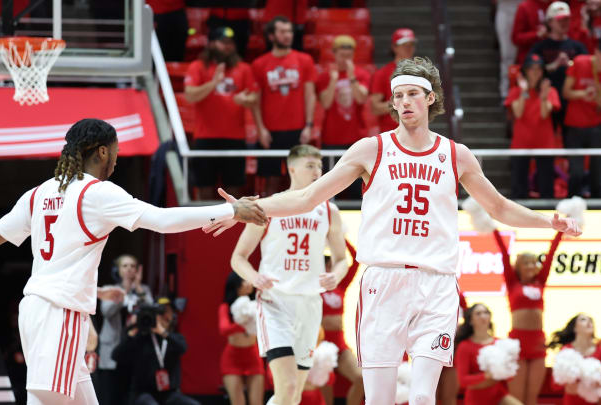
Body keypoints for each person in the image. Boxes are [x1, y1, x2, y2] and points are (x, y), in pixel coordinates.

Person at [205, 56, 581, 405]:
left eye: (412, 94)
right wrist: (247, 208)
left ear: (430, 98)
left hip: (436, 283)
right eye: (398, 96)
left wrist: (549, 221)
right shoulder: (371, 149)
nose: (404, 102)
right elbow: (306, 197)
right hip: (383, 282)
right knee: (380, 400)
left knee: (421, 397)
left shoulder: (456, 154)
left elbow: (499, 207)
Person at [0, 118, 267, 405]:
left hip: (37, 307)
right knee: (46, 400)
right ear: (103, 151)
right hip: (59, 309)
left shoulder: (37, 194)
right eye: (117, 154)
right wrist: (231, 210)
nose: (117, 163)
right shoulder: (97, 193)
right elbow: (163, 220)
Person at [230, 145, 348, 405]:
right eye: (309, 166)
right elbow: (238, 258)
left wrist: (336, 276)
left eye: (319, 166)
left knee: (293, 396)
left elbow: (342, 260)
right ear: (290, 168)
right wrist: (254, 277)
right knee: (288, 386)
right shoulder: (269, 207)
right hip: (276, 302)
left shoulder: (330, 211)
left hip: (309, 304)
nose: (317, 172)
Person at [184, 26, 258, 200]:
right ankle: (203, 223)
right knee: (204, 188)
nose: (228, 47)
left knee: (234, 190)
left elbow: (254, 97)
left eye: (230, 43)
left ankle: (234, 224)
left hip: (235, 138)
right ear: (211, 44)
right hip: (205, 138)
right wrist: (213, 83)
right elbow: (190, 95)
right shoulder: (198, 66)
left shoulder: (244, 68)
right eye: (223, 42)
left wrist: (246, 100)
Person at [494, 223, 563, 405]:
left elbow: (551, 254)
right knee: (516, 399)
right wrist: (491, 228)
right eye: (527, 262)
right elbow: (503, 252)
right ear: (518, 266)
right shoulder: (512, 283)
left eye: (534, 262)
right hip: (517, 342)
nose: (532, 265)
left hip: (538, 342)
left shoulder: (540, 281)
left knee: (532, 398)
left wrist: (560, 232)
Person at [252, 16, 317, 196]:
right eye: (282, 31)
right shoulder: (260, 64)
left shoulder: (304, 60)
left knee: (299, 180)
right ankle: (266, 222)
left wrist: (309, 125)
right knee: (270, 181)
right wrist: (260, 129)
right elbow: (255, 101)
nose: (287, 35)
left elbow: (310, 94)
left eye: (289, 31)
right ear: (271, 36)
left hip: (297, 130)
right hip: (270, 132)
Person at [562, 37, 601, 197]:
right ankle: (571, 209)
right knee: (576, 173)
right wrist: (583, 93)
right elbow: (566, 92)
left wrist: (597, 97)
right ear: (596, 52)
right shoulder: (580, 62)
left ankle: (598, 208)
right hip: (575, 126)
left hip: (598, 127)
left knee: (598, 175)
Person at [112, 300, 199, 405]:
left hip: (169, 393)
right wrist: (132, 330)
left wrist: (162, 332)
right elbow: (116, 355)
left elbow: (182, 348)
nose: (163, 317)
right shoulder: (140, 339)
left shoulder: (173, 338)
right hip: (143, 392)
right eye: (160, 314)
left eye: (167, 314)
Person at [97, 254, 154, 405]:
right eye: (125, 266)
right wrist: (124, 290)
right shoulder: (110, 289)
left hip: (135, 350)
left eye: (132, 266)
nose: (129, 269)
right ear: (118, 270)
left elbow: (152, 312)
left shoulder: (144, 290)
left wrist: (138, 287)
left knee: (130, 397)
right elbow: (107, 312)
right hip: (113, 350)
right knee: (111, 396)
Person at [504, 53, 560, 199]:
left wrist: (543, 97)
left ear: (542, 72)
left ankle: (548, 220)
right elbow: (518, 113)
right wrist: (523, 92)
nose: (535, 73)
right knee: (519, 187)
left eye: (538, 69)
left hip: (544, 144)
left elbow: (544, 114)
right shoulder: (516, 91)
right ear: (525, 71)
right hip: (521, 144)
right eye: (531, 69)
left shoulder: (550, 91)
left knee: (546, 186)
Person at [530, 1, 589, 133]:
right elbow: (530, 72)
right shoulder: (540, 47)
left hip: (572, 103)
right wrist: (554, 65)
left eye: (567, 19)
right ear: (550, 22)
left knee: (571, 142)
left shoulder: (578, 47)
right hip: (547, 100)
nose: (564, 23)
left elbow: (588, 71)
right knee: (546, 141)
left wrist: (570, 65)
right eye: (560, 19)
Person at [319, 241, 364, 405]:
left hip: (341, 347)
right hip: (321, 349)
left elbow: (356, 261)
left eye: (332, 265)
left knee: (361, 377)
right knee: (326, 391)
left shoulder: (340, 286)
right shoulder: (312, 287)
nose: (331, 269)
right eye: (328, 265)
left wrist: (339, 238)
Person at [455, 303, 522, 405]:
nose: (483, 316)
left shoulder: (500, 343)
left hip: (499, 395)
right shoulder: (464, 346)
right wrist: (487, 375)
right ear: (471, 320)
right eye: (478, 313)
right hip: (476, 399)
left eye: (486, 313)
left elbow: (509, 377)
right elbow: (463, 380)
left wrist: (509, 368)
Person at [317, 35, 370, 150]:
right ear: (334, 54)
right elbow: (325, 103)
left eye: (349, 56)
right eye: (342, 56)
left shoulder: (362, 74)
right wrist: (333, 82)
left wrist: (352, 77)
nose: (345, 60)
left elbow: (361, 99)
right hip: (331, 137)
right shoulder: (325, 76)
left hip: (357, 137)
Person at [219, 272, 264, 405]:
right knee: (238, 402)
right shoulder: (226, 307)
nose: (249, 283)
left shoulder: (257, 304)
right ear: (236, 285)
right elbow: (224, 330)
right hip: (232, 358)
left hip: (253, 356)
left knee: (257, 402)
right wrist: (245, 323)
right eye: (245, 280)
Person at [549, 314, 601, 405]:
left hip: (594, 402)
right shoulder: (566, 350)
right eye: (583, 320)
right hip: (571, 401)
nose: (589, 322)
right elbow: (554, 384)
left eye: (591, 321)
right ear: (575, 328)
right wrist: (567, 383)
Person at [370, 28, 417, 133]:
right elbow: (375, 108)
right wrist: (400, 101)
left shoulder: (421, 73)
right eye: (404, 45)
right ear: (394, 47)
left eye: (411, 45)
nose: (409, 48)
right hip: (392, 134)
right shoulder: (382, 74)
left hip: (417, 133)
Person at [497, 0, 525, 97]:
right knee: (507, 55)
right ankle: (505, 91)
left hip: (524, 9)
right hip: (505, 10)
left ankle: (521, 91)